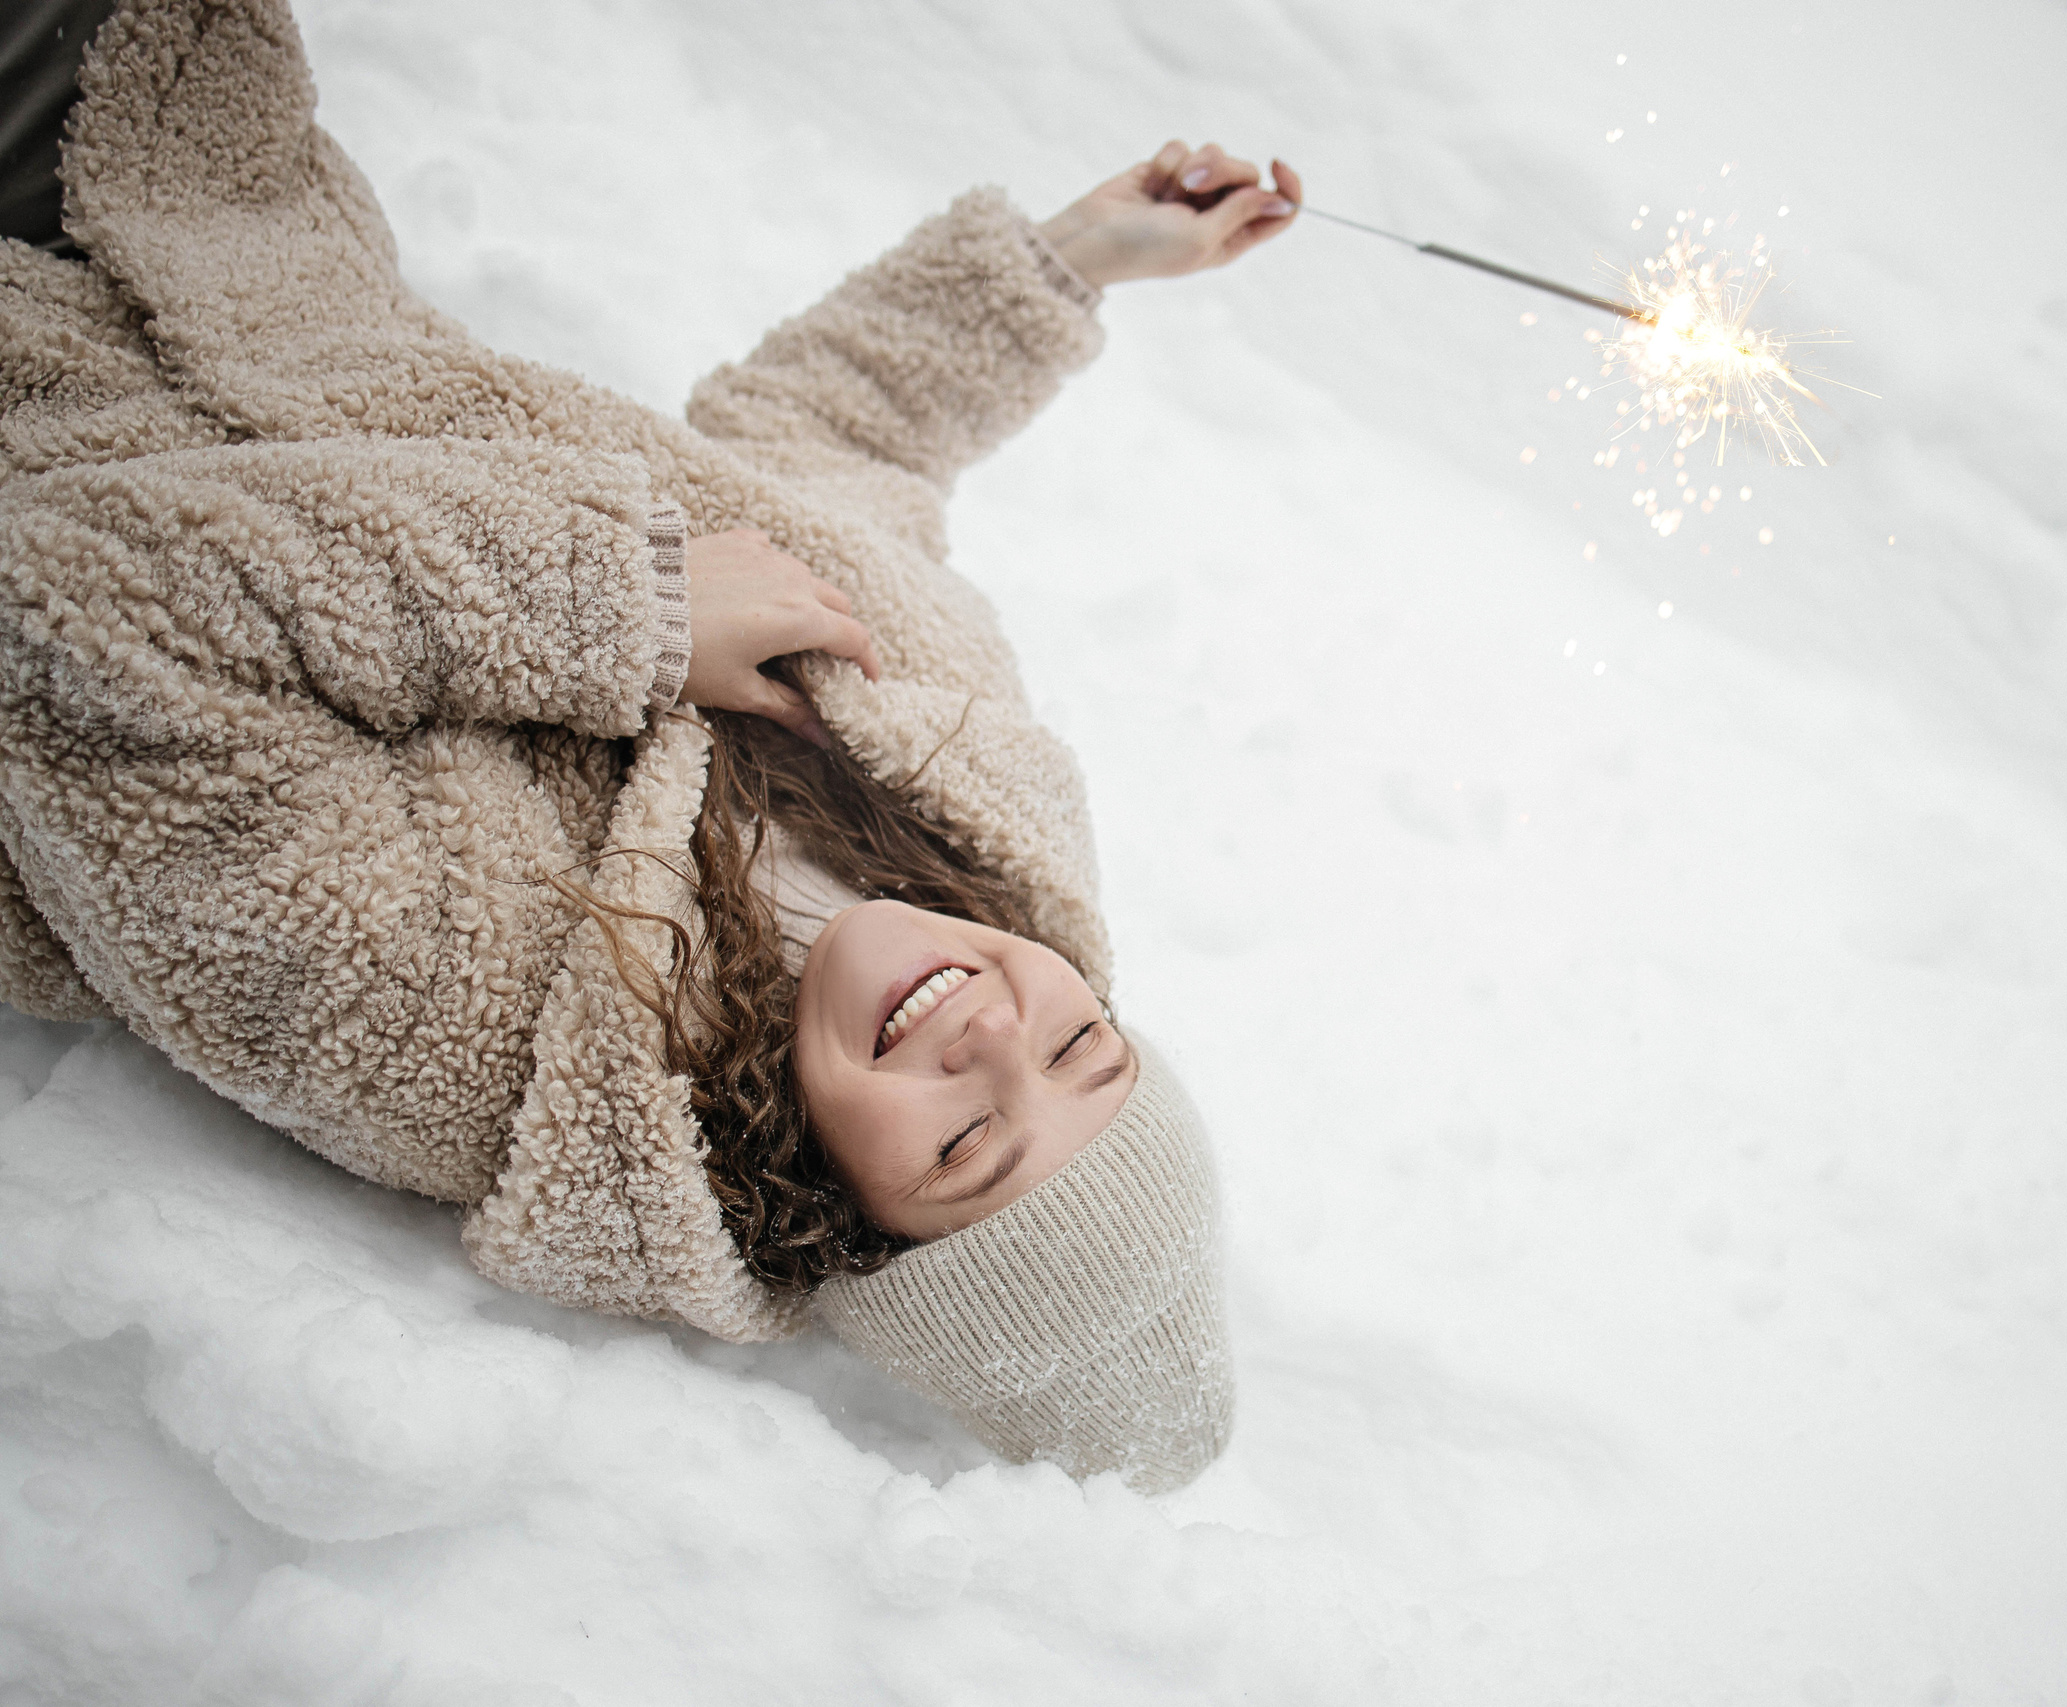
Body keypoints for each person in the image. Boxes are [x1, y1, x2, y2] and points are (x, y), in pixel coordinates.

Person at [0, 0, 1300, 1492]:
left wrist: (617, 609)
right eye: (1083, 1045)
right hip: (220, 216)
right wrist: (1072, 261)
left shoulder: (448, 1024)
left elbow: (74, 612)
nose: (993, 1034)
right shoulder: (946, 779)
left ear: (836, 1213)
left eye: (964, 1148)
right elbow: (825, 459)